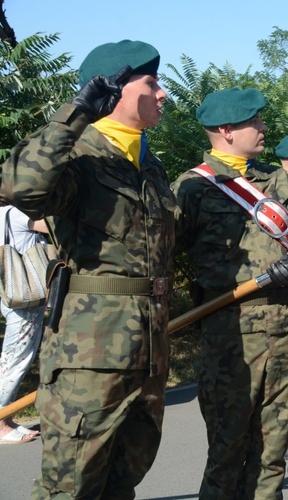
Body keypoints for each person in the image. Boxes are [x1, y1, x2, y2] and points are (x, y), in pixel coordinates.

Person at [0, 40, 175, 497]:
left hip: (148, 351)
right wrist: (74, 114)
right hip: (90, 356)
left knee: (124, 478)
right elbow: (23, 188)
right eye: (152, 83)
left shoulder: (150, 166)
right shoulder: (78, 154)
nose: (163, 94)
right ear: (115, 89)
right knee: (71, 484)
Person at [172, 88, 288, 499]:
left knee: (271, 454)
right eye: (254, 121)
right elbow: (163, 254)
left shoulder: (276, 180)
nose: (263, 128)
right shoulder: (193, 188)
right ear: (225, 130)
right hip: (232, 336)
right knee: (227, 452)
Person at [0, 205, 48, 444]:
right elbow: (55, 226)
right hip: (26, 298)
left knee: (12, 357)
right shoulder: (17, 213)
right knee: (15, 360)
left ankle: (5, 419)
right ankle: (0, 422)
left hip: (9, 293)